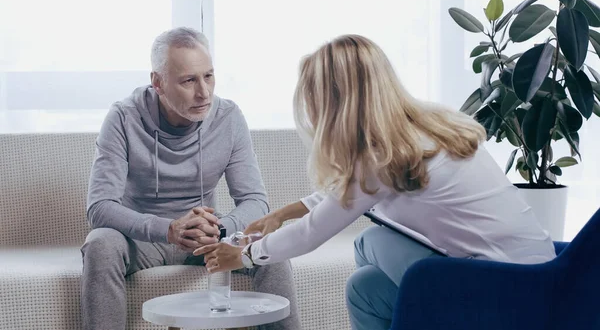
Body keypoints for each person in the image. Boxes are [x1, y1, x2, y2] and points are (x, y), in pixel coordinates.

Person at [194, 34, 557, 330]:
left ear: (337, 101)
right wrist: (282, 214)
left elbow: (311, 233)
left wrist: (244, 254)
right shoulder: (422, 130)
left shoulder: (381, 158)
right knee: (364, 288)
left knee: (371, 242)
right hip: (540, 274)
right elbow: (346, 194)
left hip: (508, 290)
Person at [80, 27, 300, 330]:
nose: (204, 92)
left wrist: (221, 227)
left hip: (207, 236)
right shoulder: (123, 117)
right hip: (143, 240)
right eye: (189, 80)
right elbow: (100, 207)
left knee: (269, 245)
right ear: (158, 82)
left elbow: (254, 200)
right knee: (100, 244)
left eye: (208, 76)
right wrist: (168, 229)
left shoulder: (228, 117)